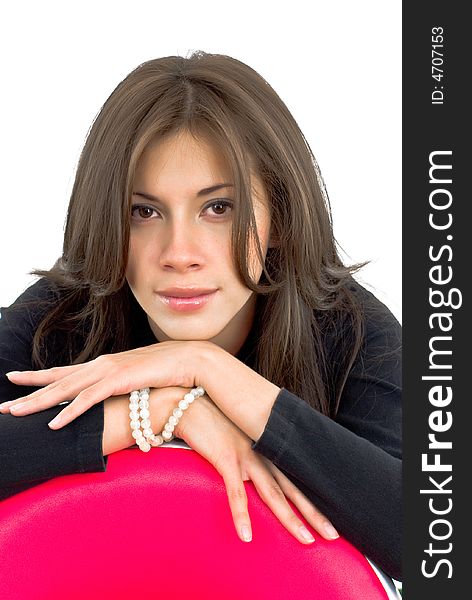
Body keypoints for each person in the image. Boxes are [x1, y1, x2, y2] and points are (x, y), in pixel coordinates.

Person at [0, 51, 401, 581]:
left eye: (219, 208)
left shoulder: (347, 328)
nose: (179, 252)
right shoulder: (63, 313)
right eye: (144, 212)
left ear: (277, 217)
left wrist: (206, 367)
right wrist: (159, 408)